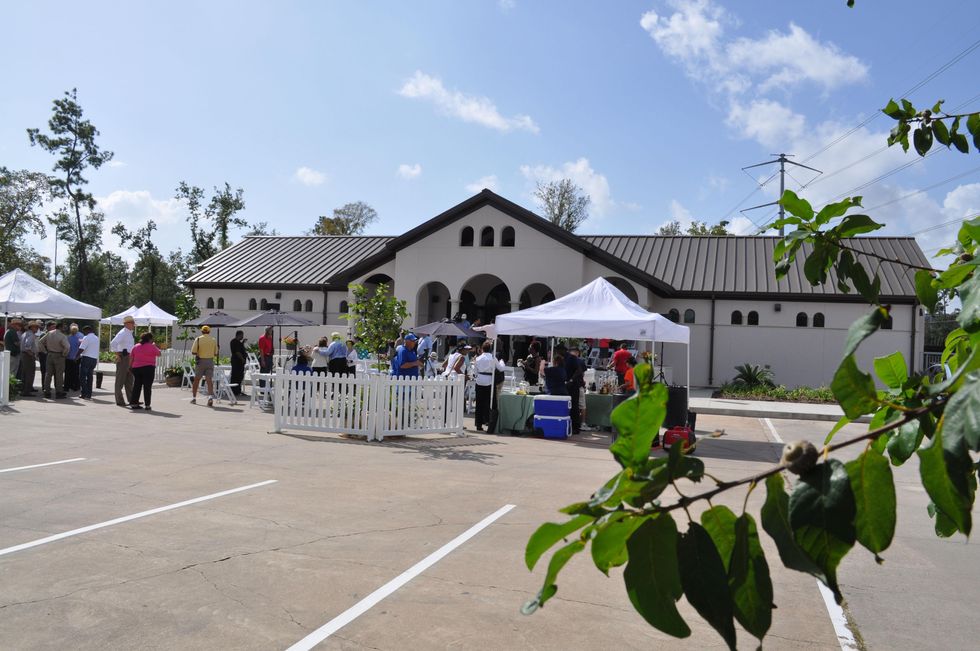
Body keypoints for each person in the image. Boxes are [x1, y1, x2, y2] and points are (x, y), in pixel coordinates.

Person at [473, 340, 505, 432]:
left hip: (479, 381)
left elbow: (475, 372)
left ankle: (479, 424)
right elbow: (501, 368)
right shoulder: (493, 357)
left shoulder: (478, 358)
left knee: (479, 403)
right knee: (491, 403)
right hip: (489, 381)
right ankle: (489, 422)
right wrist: (502, 361)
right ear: (491, 349)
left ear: (482, 349)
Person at [129, 331, 161, 410]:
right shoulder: (151, 346)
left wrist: (130, 367)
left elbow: (131, 357)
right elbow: (159, 354)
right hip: (148, 368)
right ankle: (147, 405)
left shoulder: (136, 346)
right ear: (150, 339)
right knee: (147, 387)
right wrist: (155, 346)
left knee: (137, 385)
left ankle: (134, 403)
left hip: (136, 368)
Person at [39, 321, 70, 399]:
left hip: (49, 354)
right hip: (59, 355)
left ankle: (47, 391)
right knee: (59, 375)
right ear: (60, 327)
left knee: (48, 374)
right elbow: (67, 347)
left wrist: (45, 351)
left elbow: (40, 342)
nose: (65, 328)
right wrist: (64, 354)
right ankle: (59, 392)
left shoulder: (49, 333)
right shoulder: (62, 336)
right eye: (64, 327)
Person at [110, 315, 136, 407]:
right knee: (120, 380)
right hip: (124, 356)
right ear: (127, 324)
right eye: (132, 323)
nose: (133, 325)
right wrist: (117, 354)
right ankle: (120, 400)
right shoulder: (123, 332)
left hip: (128, 357)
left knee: (129, 379)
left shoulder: (128, 332)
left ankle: (132, 399)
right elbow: (113, 343)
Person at [190, 325, 218, 406]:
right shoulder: (213, 340)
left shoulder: (198, 339)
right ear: (209, 332)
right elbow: (215, 354)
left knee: (197, 380)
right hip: (210, 361)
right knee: (209, 380)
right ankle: (210, 397)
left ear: (202, 331)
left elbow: (193, 352)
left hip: (200, 361)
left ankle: (194, 398)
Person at [565, 347, 587, 434]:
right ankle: (581, 424)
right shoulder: (579, 361)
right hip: (578, 385)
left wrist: (571, 380)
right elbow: (583, 373)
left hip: (575, 385)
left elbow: (580, 372)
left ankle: (580, 424)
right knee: (579, 406)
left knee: (577, 405)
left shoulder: (570, 360)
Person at [77, 325, 100, 400]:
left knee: (82, 377)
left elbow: (81, 348)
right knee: (90, 376)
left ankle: (84, 393)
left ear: (87, 331)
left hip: (86, 358)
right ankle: (89, 394)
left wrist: (76, 356)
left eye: (85, 332)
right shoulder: (96, 338)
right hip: (94, 359)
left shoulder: (86, 337)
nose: (84, 333)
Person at [20, 320, 40, 396]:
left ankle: (25, 389)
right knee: (29, 374)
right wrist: (32, 355)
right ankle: (26, 391)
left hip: (24, 355)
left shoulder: (25, 333)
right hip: (28, 356)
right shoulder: (31, 335)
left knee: (25, 373)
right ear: (32, 327)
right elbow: (27, 346)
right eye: (36, 327)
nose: (37, 329)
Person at [64, 323, 82, 393]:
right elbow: (81, 347)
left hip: (68, 357)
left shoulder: (68, 337)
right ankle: (75, 386)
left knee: (68, 373)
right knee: (76, 373)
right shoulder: (80, 337)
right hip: (76, 357)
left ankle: (67, 386)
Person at [229, 330, 247, 396]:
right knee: (236, 376)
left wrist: (243, 343)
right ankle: (234, 391)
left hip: (239, 363)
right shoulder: (235, 342)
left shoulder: (238, 342)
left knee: (240, 376)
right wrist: (242, 359)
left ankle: (238, 390)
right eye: (242, 335)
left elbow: (240, 348)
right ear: (239, 335)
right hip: (237, 362)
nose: (242, 336)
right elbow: (237, 352)